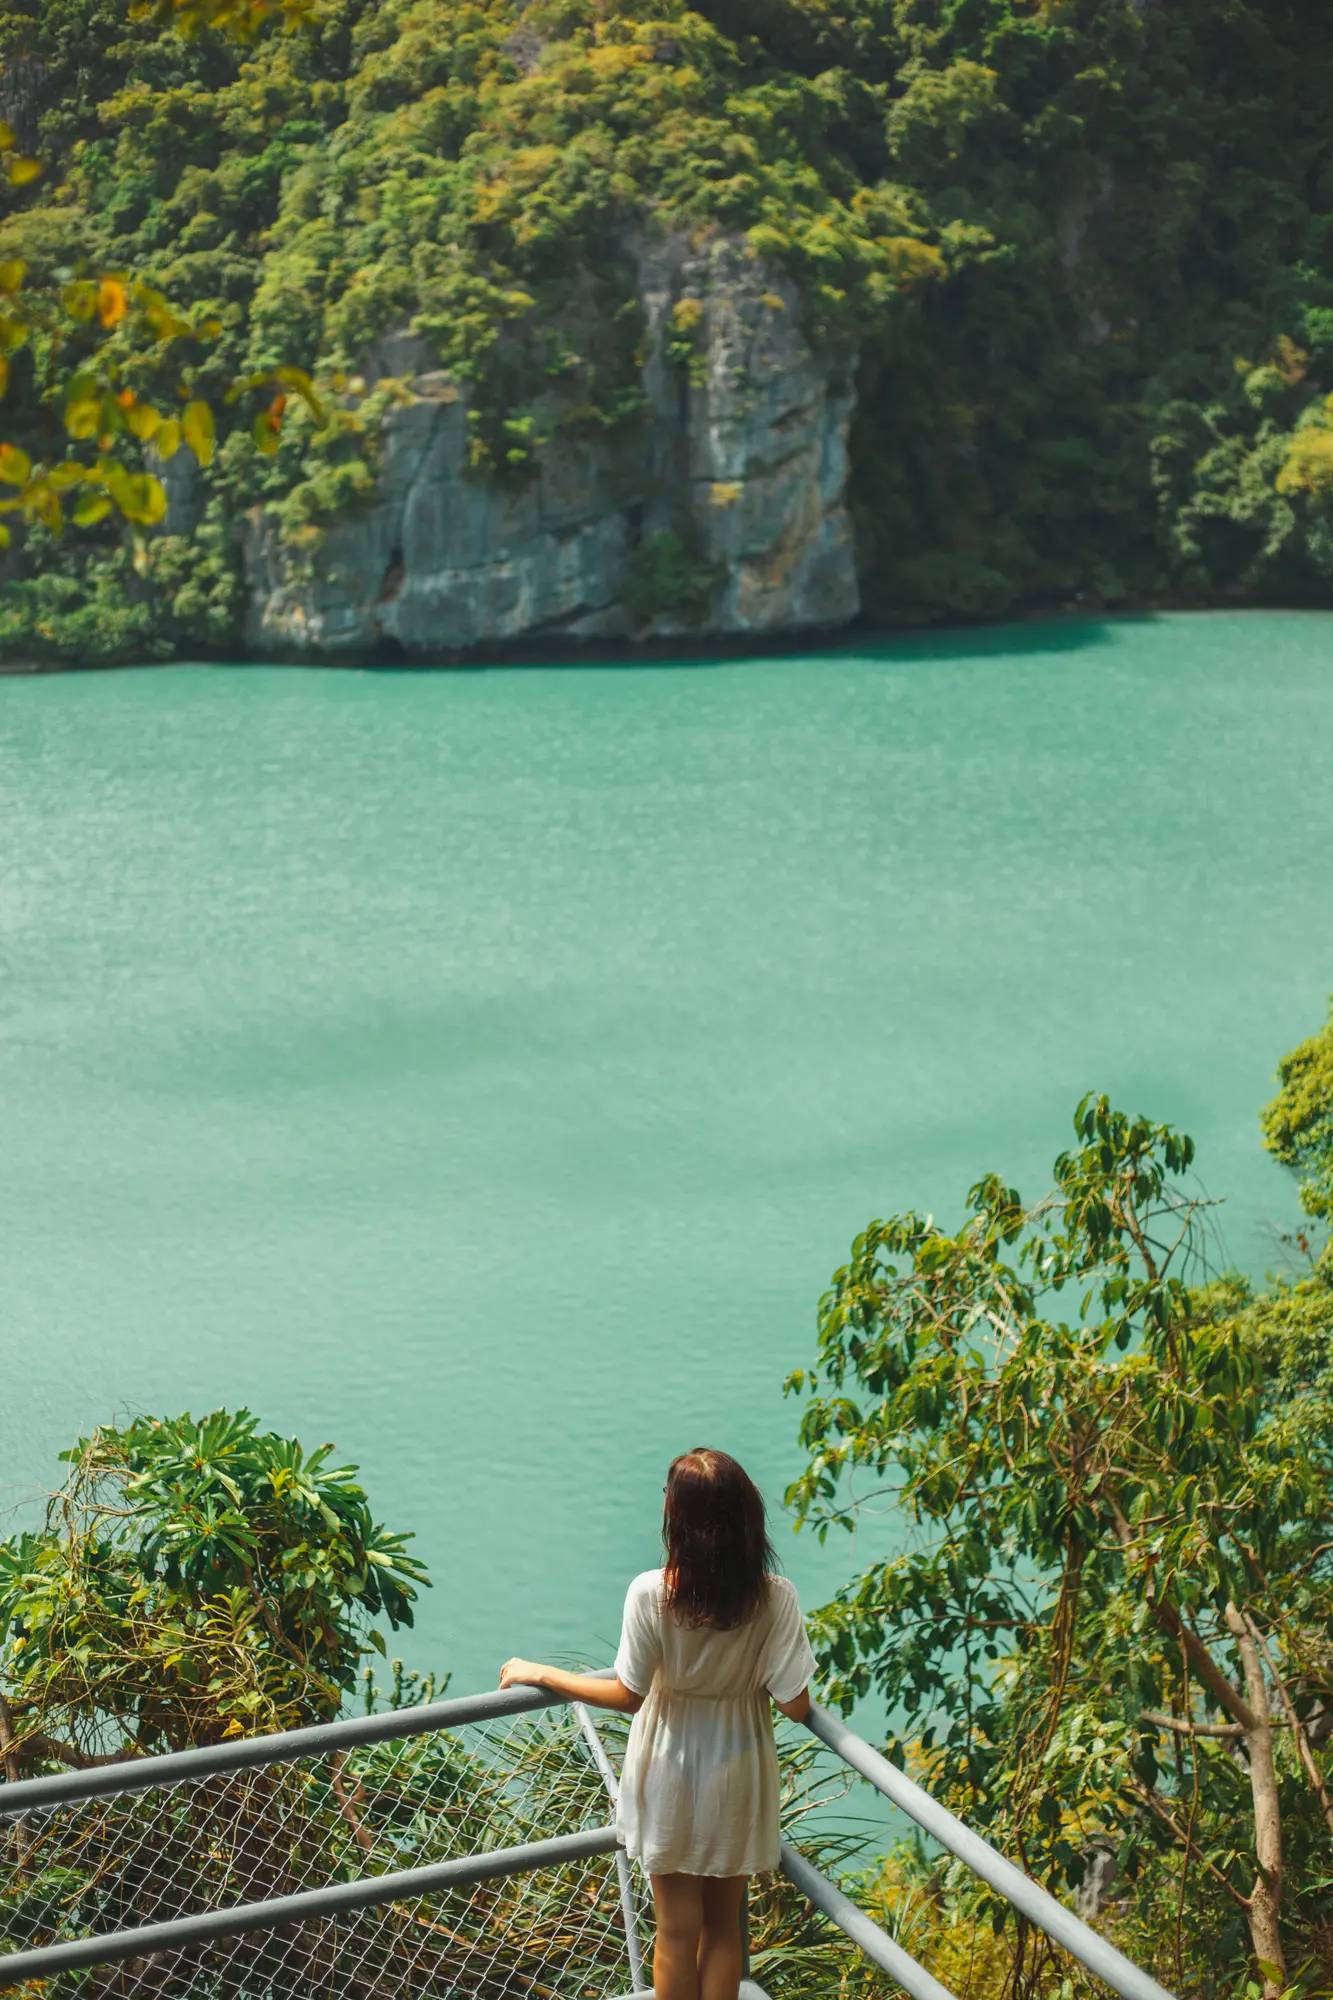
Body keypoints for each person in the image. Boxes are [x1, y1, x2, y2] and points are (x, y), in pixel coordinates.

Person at [499, 1446, 816, 2000]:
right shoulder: (775, 1598)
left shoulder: (652, 1593)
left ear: (680, 1518)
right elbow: (794, 1704)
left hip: (669, 1760)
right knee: (723, 1927)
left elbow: (627, 1693)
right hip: (739, 1762)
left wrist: (546, 1672)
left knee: (674, 1929)